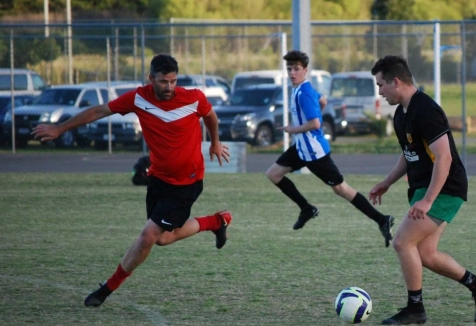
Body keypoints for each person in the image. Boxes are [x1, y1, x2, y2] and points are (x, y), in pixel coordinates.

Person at [32, 54, 233, 307]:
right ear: (151, 79)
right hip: (159, 179)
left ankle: (105, 290)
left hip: (187, 182)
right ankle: (217, 221)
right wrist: (60, 129)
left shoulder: (193, 98)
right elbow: (99, 110)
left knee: (148, 235)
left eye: (172, 81)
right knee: (163, 238)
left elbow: (211, 117)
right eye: (163, 82)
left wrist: (214, 142)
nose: (169, 87)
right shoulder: (139, 98)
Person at [368, 55, 476, 325]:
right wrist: (387, 182)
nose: (379, 91)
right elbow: (409, 154)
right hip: (423, 188)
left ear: (396, 81)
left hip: (445, 187)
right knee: (425, 253)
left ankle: (415, 310)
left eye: (381, 85)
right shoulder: (401, 115)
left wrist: (428, 200)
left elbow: (445, 157)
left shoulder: (426, 109)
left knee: (403, 241)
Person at [265, 50, 395, 245]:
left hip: (314, 152)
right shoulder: (301, 89)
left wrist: (293, 129)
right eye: (289, 68)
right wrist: (307, 124)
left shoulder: (304, 93)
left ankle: (381, 219)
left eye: (296, 69)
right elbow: (323, 101)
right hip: (302, 148)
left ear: (305, 70)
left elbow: (316, 124)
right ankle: (306, 208)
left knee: (341, 189)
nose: (292, 72)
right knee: (273, 174)